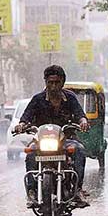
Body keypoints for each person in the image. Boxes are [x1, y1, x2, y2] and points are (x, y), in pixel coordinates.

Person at [14, 65, 90, 208]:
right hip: (42, 141)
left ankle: (77, 189)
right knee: (30, 153)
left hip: (66, 140)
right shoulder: (37, 99)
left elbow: (80, 115)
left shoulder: (70, 98)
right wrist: (22, 125)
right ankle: (32, 191)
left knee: (79, 150)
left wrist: (83, 122)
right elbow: (26, 116)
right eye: (50, 82)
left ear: (62, 82)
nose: (53, 86)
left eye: (56, 82)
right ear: (46, 82)